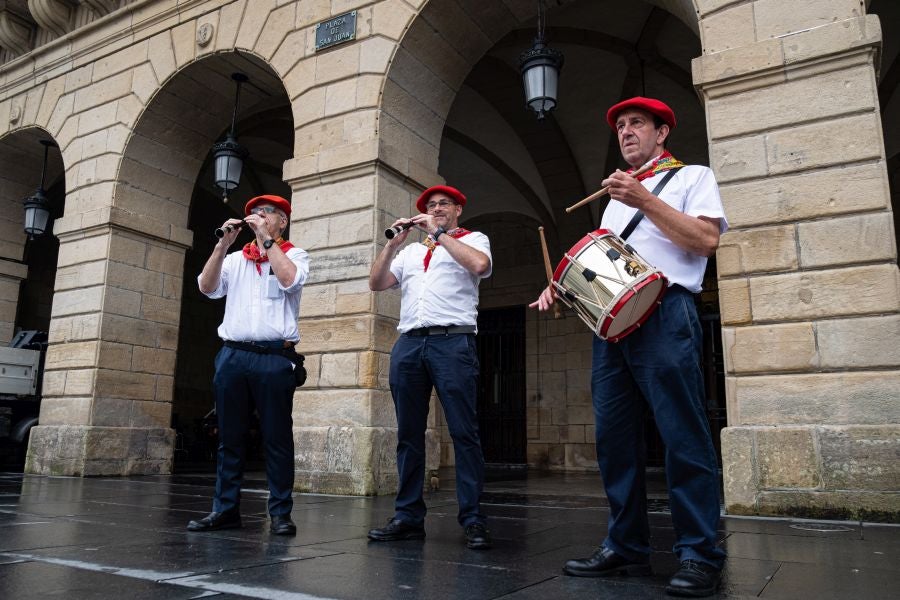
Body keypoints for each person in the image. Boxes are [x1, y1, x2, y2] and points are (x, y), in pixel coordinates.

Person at [530, 97, 728, 597]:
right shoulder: (616, 200)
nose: (625, 131)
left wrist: (644, 199)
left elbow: (705, 241)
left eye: (637, 123)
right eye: (620, 125)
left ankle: (699, 553)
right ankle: (626, 544)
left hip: (667, 312)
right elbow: (602, 266)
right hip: (613, 326)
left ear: (662, 133)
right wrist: (564, 286)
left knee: (683, 433)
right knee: (614, 439)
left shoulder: (692, 177)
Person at [367, 185, 493, 550]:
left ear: (457, 210)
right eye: (430, 205)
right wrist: (392, 244)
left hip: (452, 342)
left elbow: (480, 266)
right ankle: (408, 517)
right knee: (408, 434)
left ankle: (473, 518)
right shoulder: (410, 252)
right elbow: (376, 283)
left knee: (464, 431)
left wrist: (438, 234)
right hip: (409, 343)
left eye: (443, 204)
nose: (436, 209)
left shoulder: (474, 240)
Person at [187, 194, 309, 536]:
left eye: (267, 212)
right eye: (255, 212)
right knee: (229, 438)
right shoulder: (235, 259)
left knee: (276, 438)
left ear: (282, 221)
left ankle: (281, 513)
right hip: (234, 355)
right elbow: (207, 287)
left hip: (274, 357)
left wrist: (266, 241)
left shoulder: (295, 254)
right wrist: (221, 246)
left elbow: (290, 280)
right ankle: (225, 509)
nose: (259, 215)